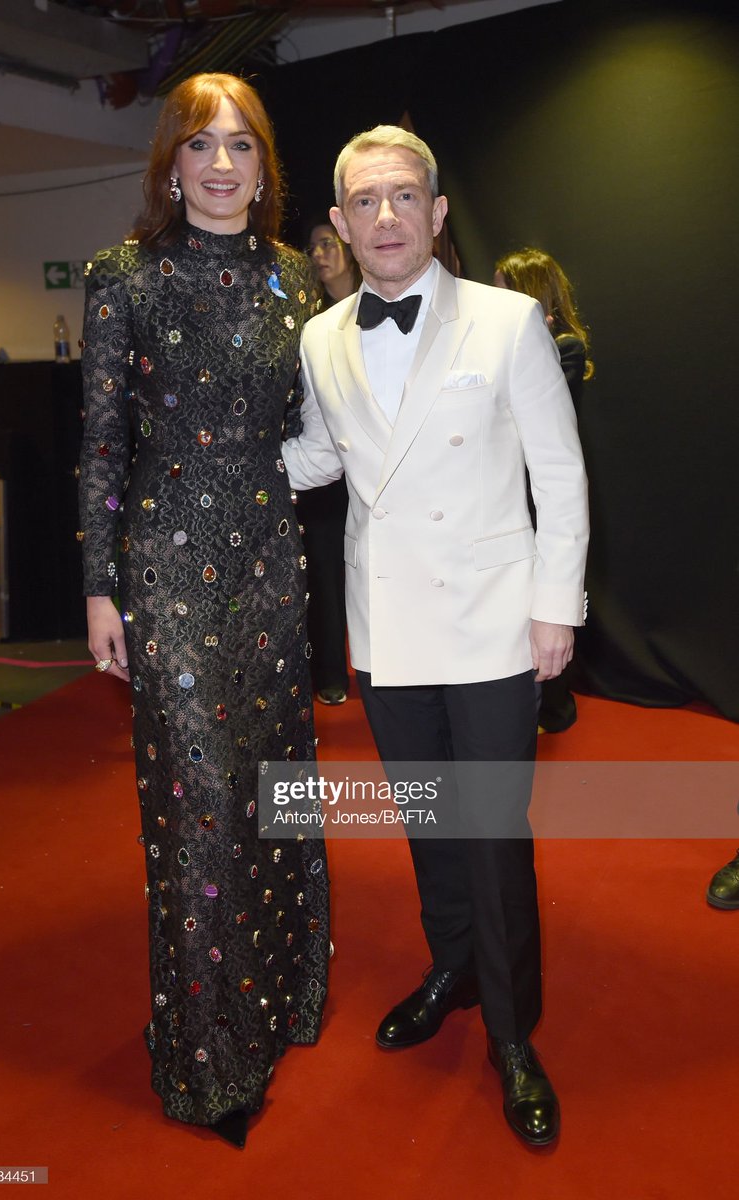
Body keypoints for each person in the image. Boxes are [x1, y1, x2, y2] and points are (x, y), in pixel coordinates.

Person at [282, 126, 588, 1147]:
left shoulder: (506, 322)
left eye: (402, 197)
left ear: (437, 211)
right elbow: (324, 458)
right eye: (363, 202)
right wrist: (219, 467)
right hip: (390, 627)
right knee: (426, 821)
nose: (383, 218)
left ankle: (511, 1033)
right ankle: (451, 968)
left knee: (491, 834)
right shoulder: (322, 336)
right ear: (336, 222)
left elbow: (560, 472)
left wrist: (556, 606)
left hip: (494, 624)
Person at [77, 72, 330, 1147]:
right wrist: (98, 584)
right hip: (168, 571)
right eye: (200, 146)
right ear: (169, 166)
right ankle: (207, 1055)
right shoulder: (122, 277)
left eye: (241, 146)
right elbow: (101, 447)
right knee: (198, 804)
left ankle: (273, 1002)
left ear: (264, 166)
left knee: (272, 786)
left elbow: (325, 429)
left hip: (270, 561)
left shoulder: (292, 282)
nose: (222, 165)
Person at [494, 246, 594, 734]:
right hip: (511, 492)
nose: (494, 296)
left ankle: (556, 705)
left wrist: (535, 336)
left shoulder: (566, 344)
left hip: (544, 494)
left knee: (551, 601)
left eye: (503, 287)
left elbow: (556, 411)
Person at [292, 220, 361, 706]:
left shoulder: (380, 300)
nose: (318, 253)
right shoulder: (306, 317)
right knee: (323, 569)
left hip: (379, 464)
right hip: (322, 463)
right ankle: (331, 673)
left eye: (327, 243)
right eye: (312, 246)